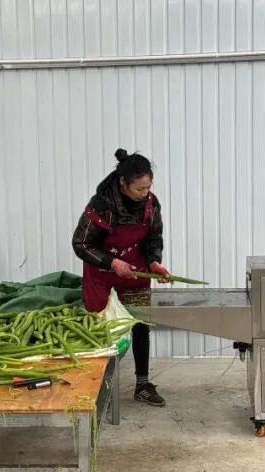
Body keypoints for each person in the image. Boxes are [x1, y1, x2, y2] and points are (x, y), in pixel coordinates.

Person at [73, 149, 171, 407]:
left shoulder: (150, 204)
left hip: (135, 268)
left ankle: (142, 385)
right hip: (101, 271)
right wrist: (112, 263)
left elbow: (153, 237)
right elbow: (81, 244)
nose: (145, 193)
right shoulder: (101, 205)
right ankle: (93, 388)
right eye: (139, 188)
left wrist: (154, 261)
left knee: (140, 321)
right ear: (123, 183)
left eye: (148, 187)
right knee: (99, 326)